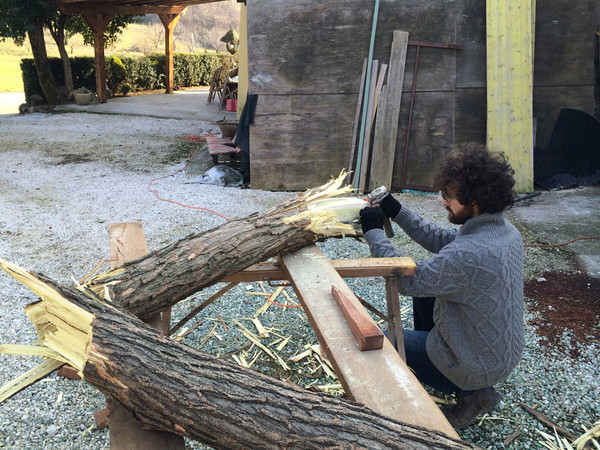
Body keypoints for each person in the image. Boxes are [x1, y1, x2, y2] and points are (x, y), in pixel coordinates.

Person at [359, 142, 524, 429]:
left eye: (449, 197)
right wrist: (395, 210)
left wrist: (373, 232)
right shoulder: (504, 232)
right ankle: (448, 366)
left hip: (477, 365)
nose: (443, 201)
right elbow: (437, 238)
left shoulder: (468, 255)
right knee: (428, 294)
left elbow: (406, 280)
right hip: (499, 353)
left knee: (382, 341)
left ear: (475, 202)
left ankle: (470, 393)